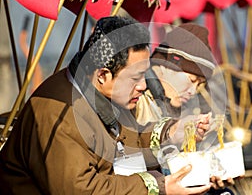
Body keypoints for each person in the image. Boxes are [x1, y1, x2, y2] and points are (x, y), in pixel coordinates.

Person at [0, 16, 216, 194]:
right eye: (135, 77)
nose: (143, 86)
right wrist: (156, 187)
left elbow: (132, 139)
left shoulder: (108, 96)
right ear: (103, 75)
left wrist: (173, 132)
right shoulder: (60, 113)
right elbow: (82, 190)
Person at [135, 23, 235, 194]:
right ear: (167, 64)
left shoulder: (166, 104)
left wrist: (206, 172)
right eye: (191, 79)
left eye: (200, 85)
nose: (193, 91)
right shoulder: (136, 99)